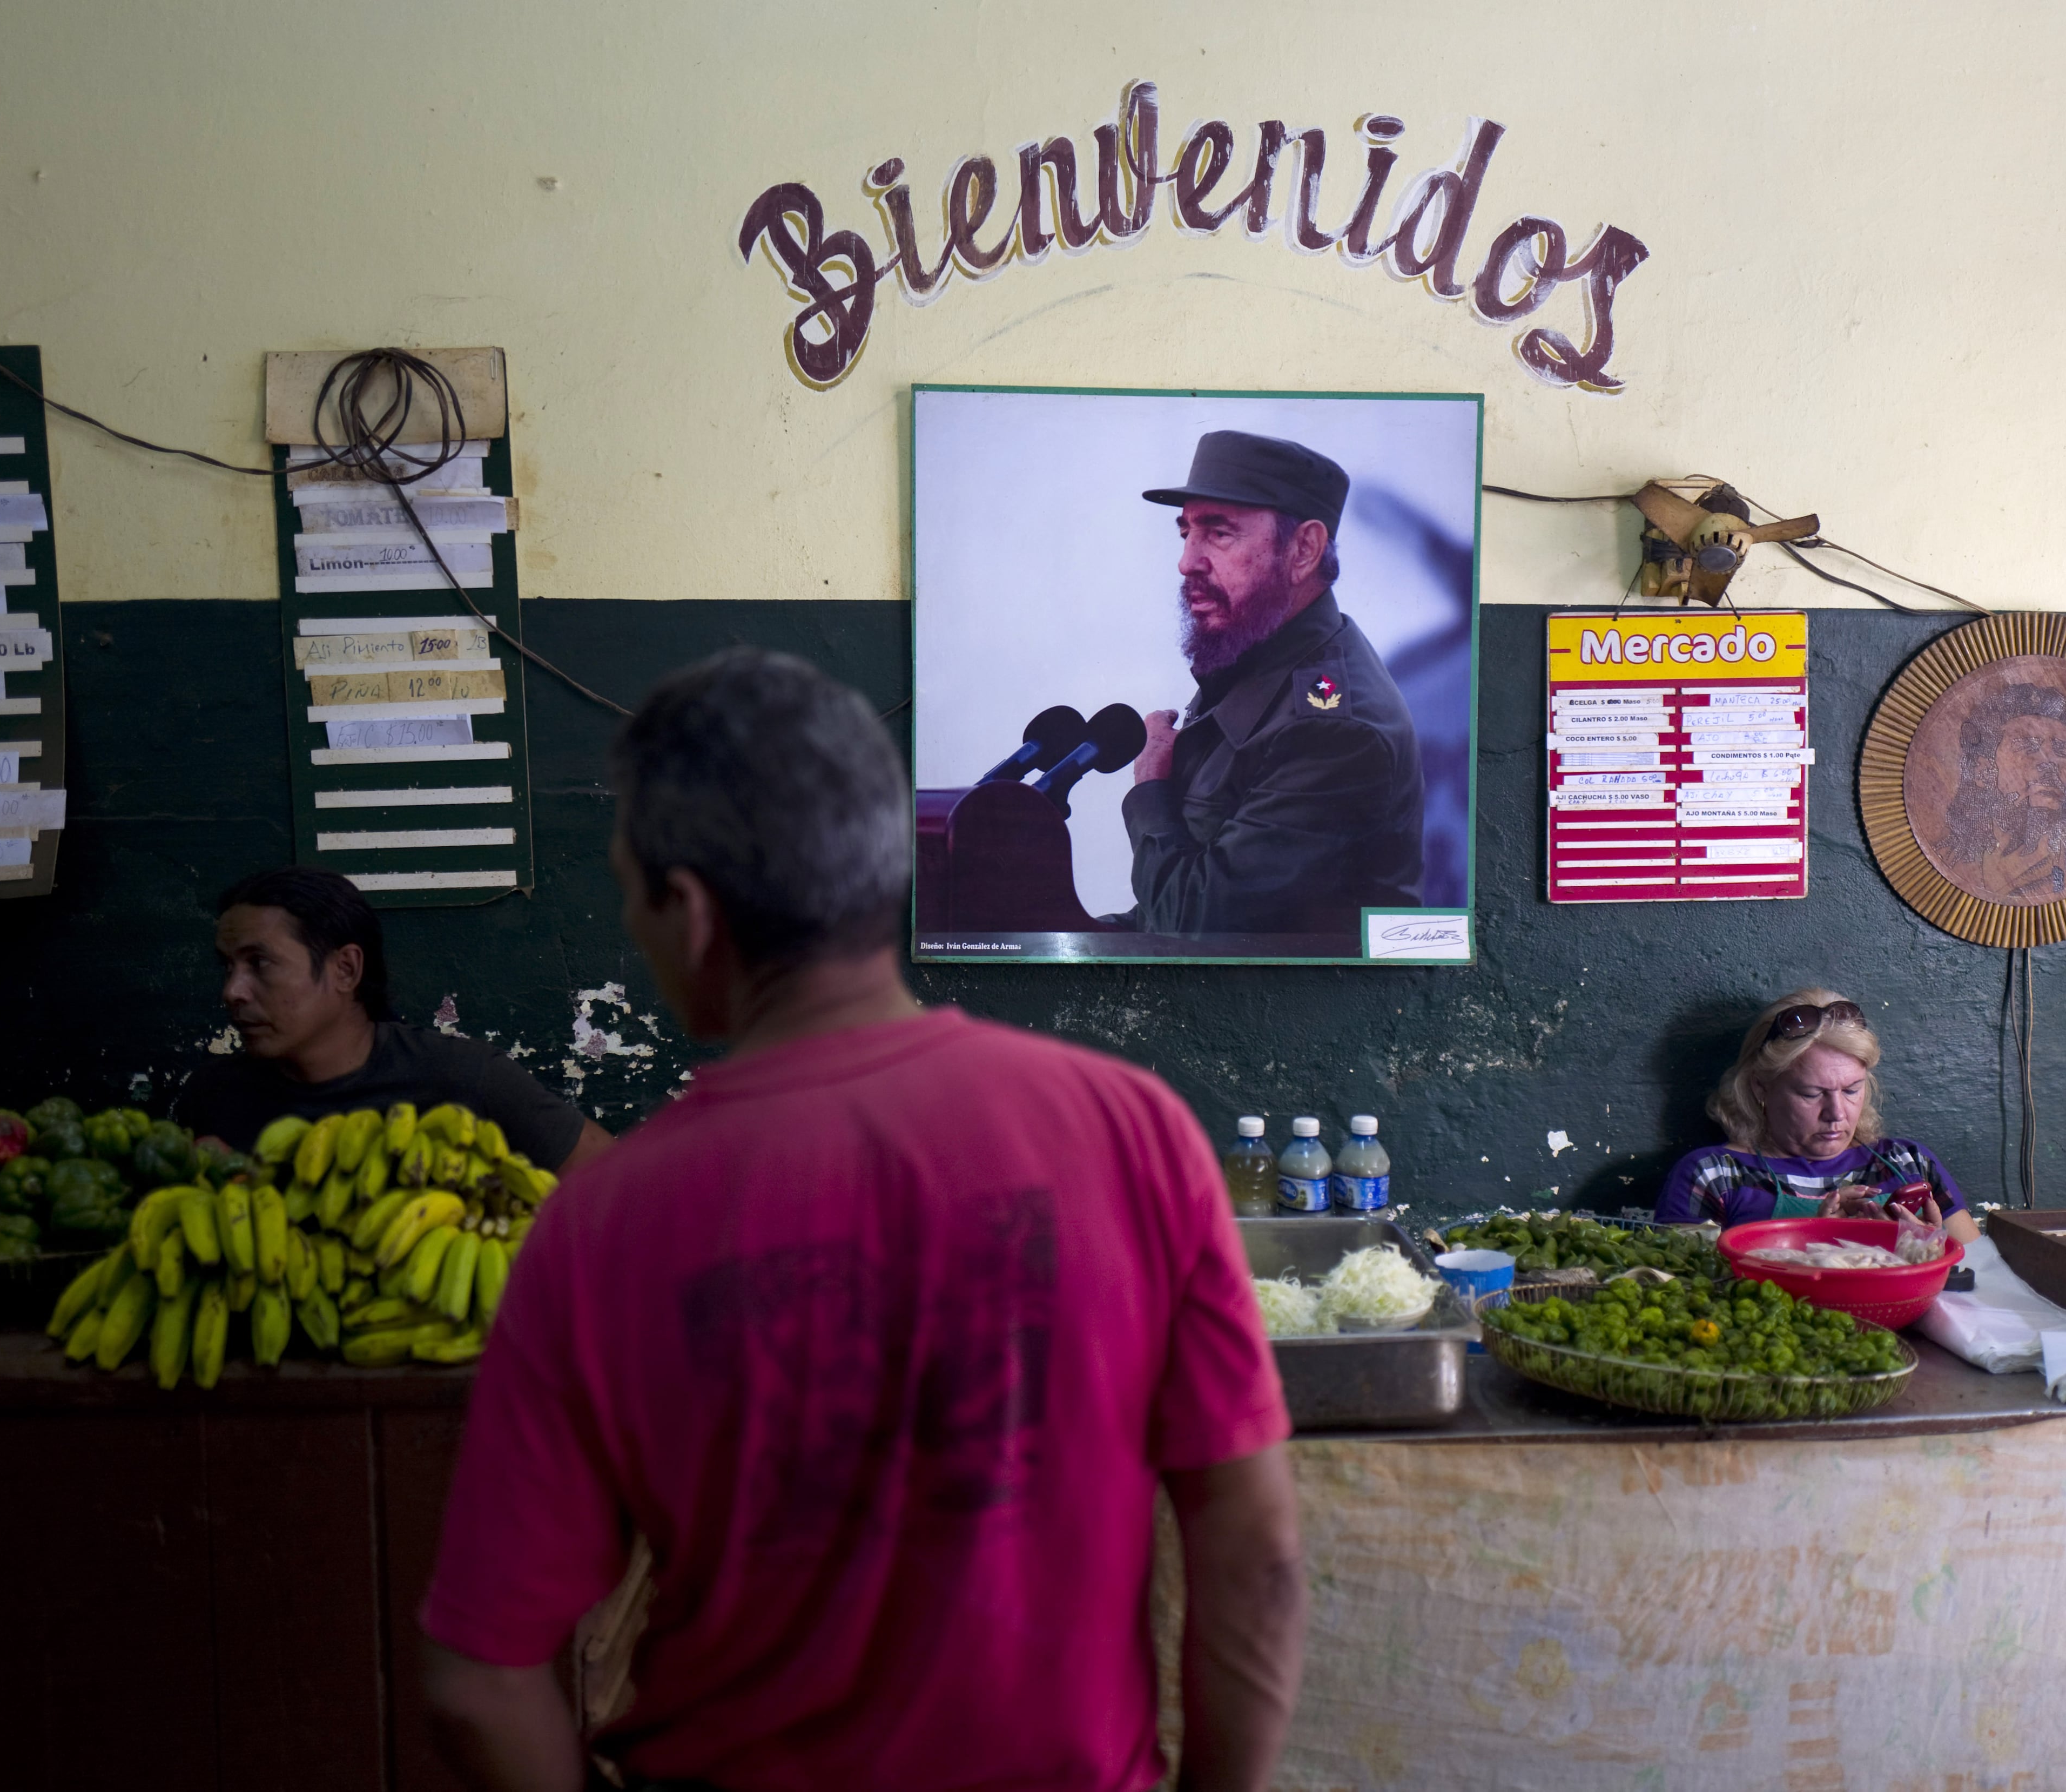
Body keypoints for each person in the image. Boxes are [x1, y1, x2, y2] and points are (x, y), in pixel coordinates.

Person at [418, 649, 1306, 1792]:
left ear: (687, 912)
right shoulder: (1131, 1132)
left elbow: (476, 1679)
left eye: (627, 885)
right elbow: (1258, 1557)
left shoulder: (600, 1224)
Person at [1114, 428, 1425, 940]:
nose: (1187, 561)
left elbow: (1196, 924)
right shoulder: (1254, 661)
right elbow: (1164, 911)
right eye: (1186, 532)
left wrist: (1150, 787)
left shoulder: (1333, 730)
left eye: (1219, 533)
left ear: (1304, 549)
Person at [177, 867, 615, 1173]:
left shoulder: (465, 1080)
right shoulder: (214, 1098)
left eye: (260, 963)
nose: (233, 991)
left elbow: (617, 1186)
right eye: (228, 966)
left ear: (345, 969)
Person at [1654, 989, 1980, 1242]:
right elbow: (1681, 1289)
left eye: (1852, 1090)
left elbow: (1980, 1276)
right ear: (1761, 1088)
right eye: (1812, 1094)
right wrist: (1813, 1245)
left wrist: (1923, 1249)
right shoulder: (1714, 1175)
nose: (1837, 1114)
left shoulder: (1909, 1163)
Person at [1941, 681, 2066, 904]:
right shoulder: (1946, 861)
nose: (2050, 763)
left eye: (2061, 751)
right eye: (2029, 747)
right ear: (1983, 771)